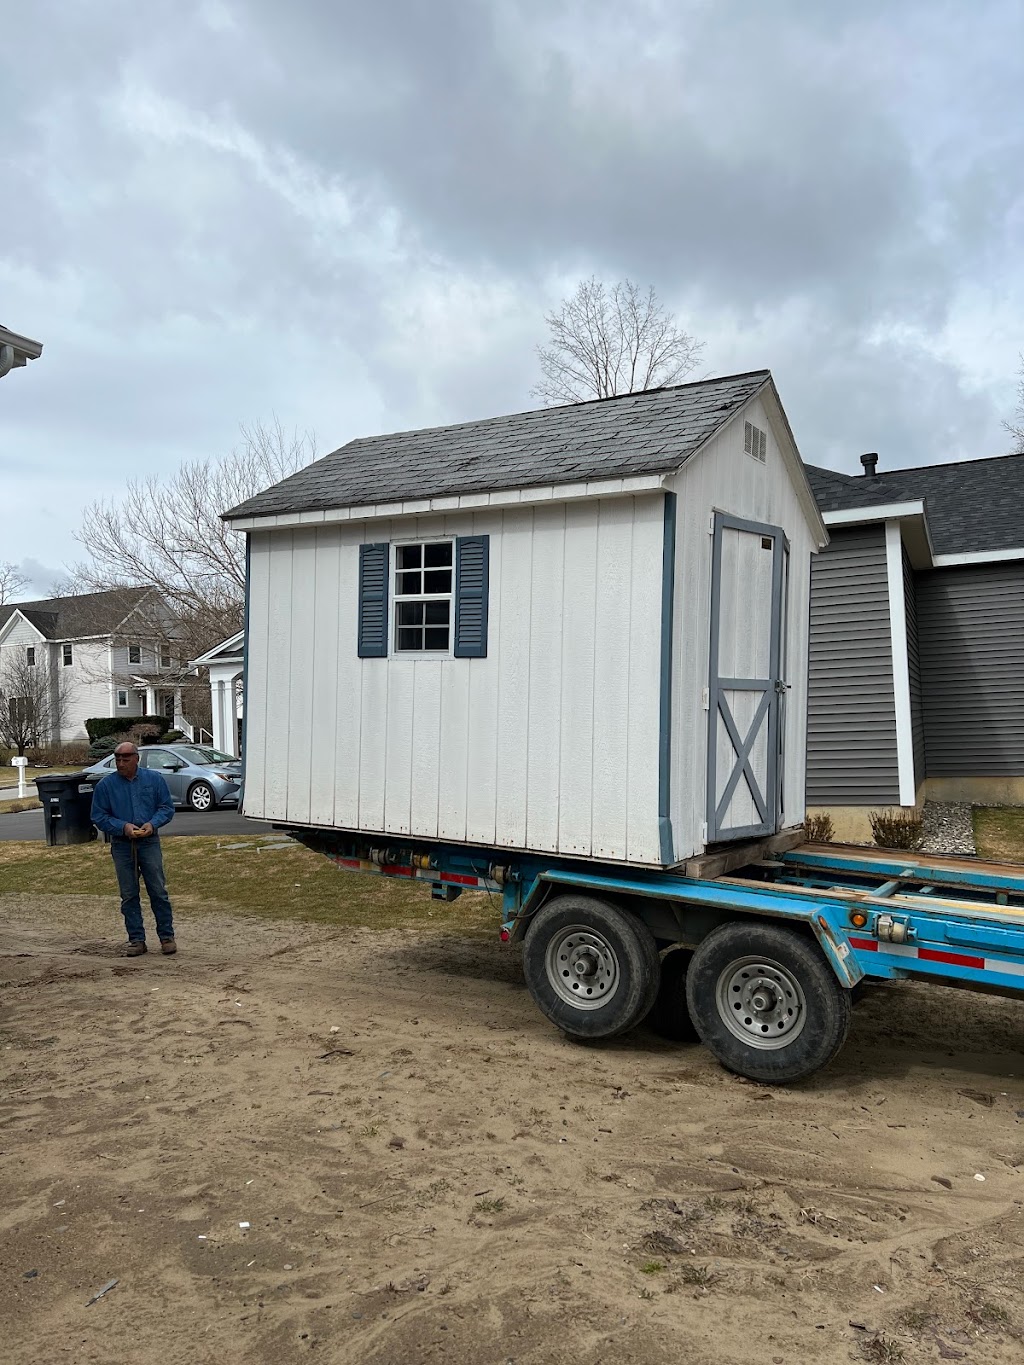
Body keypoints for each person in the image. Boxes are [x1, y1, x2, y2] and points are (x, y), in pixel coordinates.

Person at [91, 742, 177, 957]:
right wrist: (123, 827)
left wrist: (152, 824)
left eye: (125, 759)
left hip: (149, 842)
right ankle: (136, 939)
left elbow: (166, 807)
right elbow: (99, 816)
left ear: (136, 759)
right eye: (117, 759)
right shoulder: (106, 785)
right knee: (129, 894)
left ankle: (166, 937)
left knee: (158, 891)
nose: (121, 764)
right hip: (122, 844)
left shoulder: (154, 779)